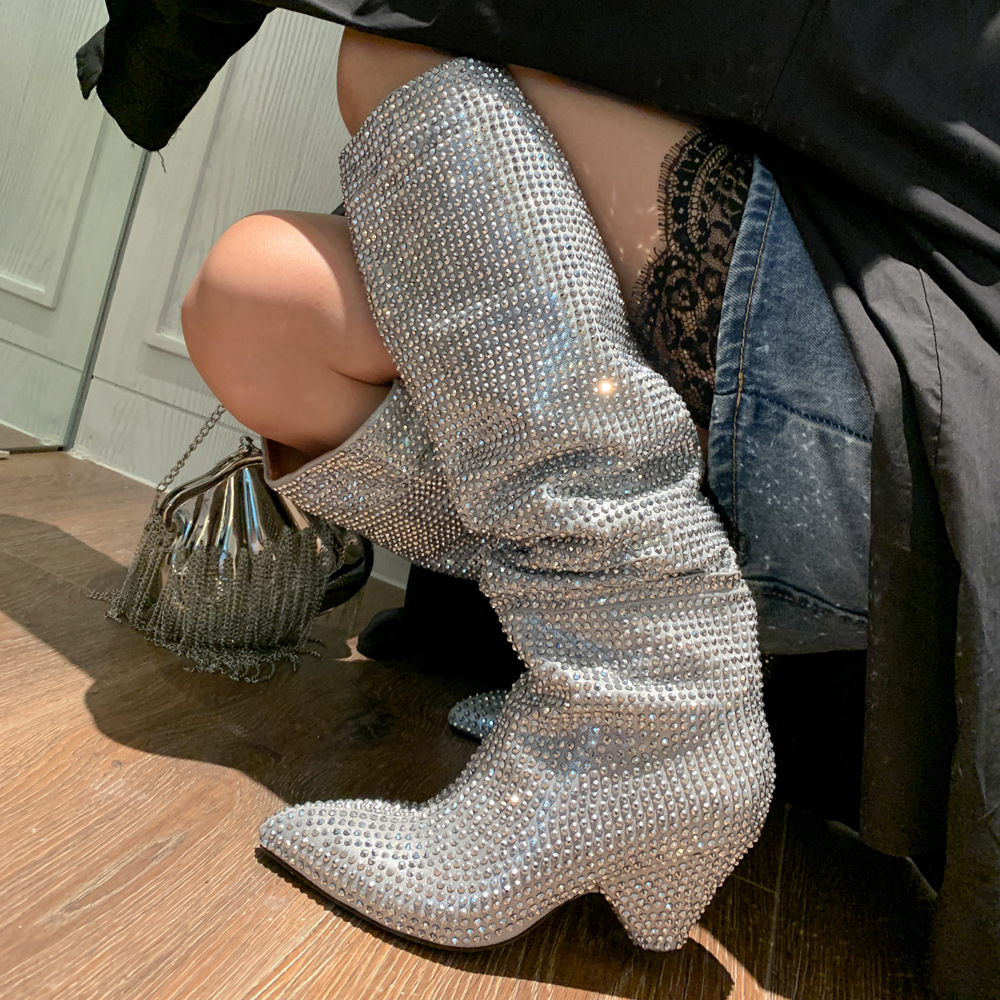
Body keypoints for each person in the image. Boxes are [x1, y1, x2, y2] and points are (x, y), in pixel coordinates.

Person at [76, 4, 999, 995]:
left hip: (903, 394)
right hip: (746, 421)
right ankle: (619, 667)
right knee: (255, 300)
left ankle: (643, 694)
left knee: (395, 43)